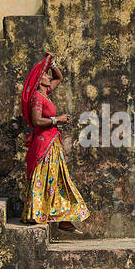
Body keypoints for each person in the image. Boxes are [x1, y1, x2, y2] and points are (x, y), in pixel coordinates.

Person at [20, 53, 90, 231]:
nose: (47, 76)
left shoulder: (46, 93)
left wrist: (51, 64)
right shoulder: (37, 97)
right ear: (39, 80)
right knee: (46, 179)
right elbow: (36, 121)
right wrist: (56, 119)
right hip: (44, 144)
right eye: (44, 74)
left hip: (52, 142)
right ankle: (39, 214)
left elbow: (59, 77)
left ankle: (63, 219)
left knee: (58, 179)